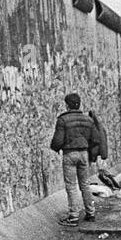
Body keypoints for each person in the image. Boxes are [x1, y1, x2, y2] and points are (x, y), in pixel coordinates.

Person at [50, 92, 102, 225]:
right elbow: (96, 138)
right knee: (85, 184)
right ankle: (91, 212)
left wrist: (56, 148)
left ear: (67, 105)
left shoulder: (63, 120)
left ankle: (73, 216)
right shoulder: (88, 120)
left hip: (70, 154)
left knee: (71, 185)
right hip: (84, 153)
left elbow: (57, 140)